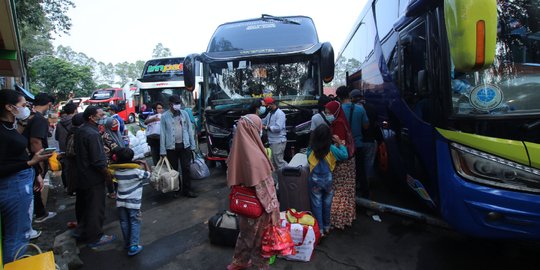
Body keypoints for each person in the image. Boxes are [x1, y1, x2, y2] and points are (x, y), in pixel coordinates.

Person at [0, 89, 52, 263]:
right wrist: (31, 163)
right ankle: (13, 264)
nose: (27, 108)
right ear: (9, 107)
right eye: (23, 105)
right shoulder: (2, 131)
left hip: (22, 180)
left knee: (21, 231)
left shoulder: (12, 126)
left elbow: (20, 152)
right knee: (17, 235)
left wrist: (35, 172)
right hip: (12, 186)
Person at [226, 114, 280, 270]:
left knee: (244, 235)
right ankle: (260, 266)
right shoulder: (257, 156)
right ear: (254, 129)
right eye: (259, 127)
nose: (261, 129)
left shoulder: (236, 151)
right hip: (258, 208)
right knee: (260, 239)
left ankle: (238, 262)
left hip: (242, 204)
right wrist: (273, 210)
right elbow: (265, 190)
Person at [74, 106, 116, 248]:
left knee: (84, 206)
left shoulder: (81, 130)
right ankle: (95, 237)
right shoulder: (92, 134)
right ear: (92, 117)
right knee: (95, 207)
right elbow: (97, 159)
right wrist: (107, 174)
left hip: (82, 174)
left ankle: (82, 231)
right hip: (93, 177)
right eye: (100, 114)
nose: (103, 116)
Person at [306, 125, 348, 236]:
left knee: (316, 204)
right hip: (328, 180)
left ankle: (319, 230)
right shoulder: (332, 149)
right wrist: (340, 144)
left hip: (314, 181)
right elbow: (345, 155)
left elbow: (308, 158)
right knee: (327, 203)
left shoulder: (311, 149)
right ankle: (327, 226)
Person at [23, 92, 57, 224]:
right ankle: (39, 214)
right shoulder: (39, 119)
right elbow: (35, 142)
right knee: (37, 186)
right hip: (35, 159)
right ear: (49, 104)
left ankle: (39, 212)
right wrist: (41, 163)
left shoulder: (30, 117)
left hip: (28, 158)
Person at [109, 148, 150, 256]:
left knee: (124, 222)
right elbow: (148, 175)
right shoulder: (136, 172)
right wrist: (145, 164)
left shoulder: (117, 172)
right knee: (134, 222)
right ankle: (133, 246)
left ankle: (127, 243)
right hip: (133, 203)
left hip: (120, 202)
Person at [324, 100, 357, 229]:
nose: (327, 115)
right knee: (346, 191)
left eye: (328, 113)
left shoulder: (338, 124)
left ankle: (338, 220)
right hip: (348, 161)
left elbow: (339, 148)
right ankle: (346, 218)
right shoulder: (339, 121)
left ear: (336, 112)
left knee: (339, 191)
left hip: (343, 163)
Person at [160, 95, 198, 198]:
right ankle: (177, 189)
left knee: (186, 168)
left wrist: (193, 146)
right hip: (171, 147)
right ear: (170, 104)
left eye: (179, 103)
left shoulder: (184, 114)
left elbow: (190, 130)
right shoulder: (164, 117)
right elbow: (162, 134)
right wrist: (162, 151)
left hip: (185, 146)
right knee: (174, 170)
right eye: (175, 104)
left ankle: (187, 190)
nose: (178, 105)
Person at [338, 87, 370, 198]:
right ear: (349, 95)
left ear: (338, 97)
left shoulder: (338, 111)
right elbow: (366, 126)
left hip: (343, 148)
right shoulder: (360, 109)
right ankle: (366, 200)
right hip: (358, 145)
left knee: (344, 175)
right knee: (361, 173)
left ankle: (347, 202)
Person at [351, 90, 383, 185]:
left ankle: (358, 183)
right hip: (370, 140)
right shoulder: (372, 108)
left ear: (353, 98)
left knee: (357, 163)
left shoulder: (352, 109)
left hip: (356, 141)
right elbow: (376, 125)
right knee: (369, 163)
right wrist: (379, 139)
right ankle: (367, 183)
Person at [55, 102, 78, 190]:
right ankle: (74, 187)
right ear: (75, 110)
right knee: (75, 168)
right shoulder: (76, 121)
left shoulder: (59, 123)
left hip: (63, 149)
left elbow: (57, 137)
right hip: (74, 149)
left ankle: (67, 187)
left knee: (65, 168)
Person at [261, 97, 288, 170]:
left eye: (267, 106)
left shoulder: (280, 114)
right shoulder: (270, 114)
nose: (266, 107)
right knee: (272, 163)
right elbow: (263, 121)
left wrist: (266, 127)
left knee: (279, 162)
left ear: (272, 104)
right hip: (272, 141)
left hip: (278, 141)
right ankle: (275, 181)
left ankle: (289, 174)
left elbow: (278, 128)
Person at [102, 117, 125, 199]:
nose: (115, 125)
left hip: (118, 157)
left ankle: (119, 190)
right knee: (111, 176)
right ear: (108, 125)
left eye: (116, 123)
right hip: (110, 159)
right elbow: (114, 147)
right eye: (113, 124)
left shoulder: (117, 132)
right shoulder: (106, 135)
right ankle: (112, 192)